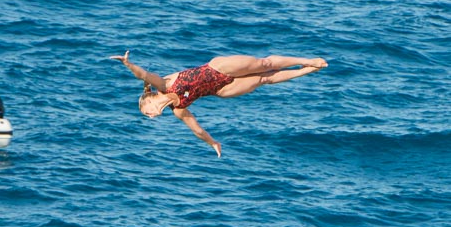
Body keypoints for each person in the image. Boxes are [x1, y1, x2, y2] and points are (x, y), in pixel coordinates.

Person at [110, 51, 328, 157]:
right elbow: (197, 130)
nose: (149, 115)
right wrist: (213, 143)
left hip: (218, 69)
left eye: (145, 111)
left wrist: (128, 64)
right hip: (220, 89)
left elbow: (144, 75)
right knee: (264, 79)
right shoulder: (179, 110)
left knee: (264, 64)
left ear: (150, 100)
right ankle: (308, 71)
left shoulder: (164, 85)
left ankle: (306, 61)